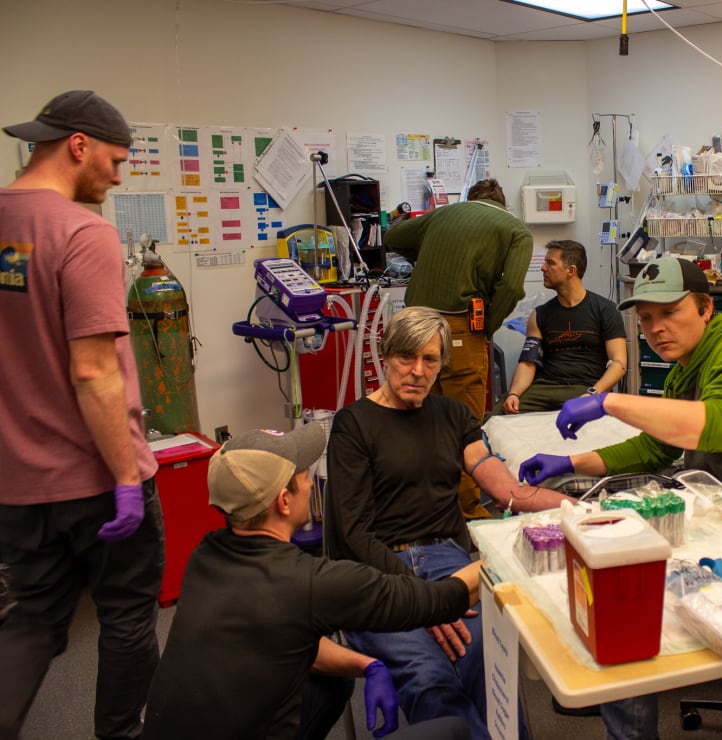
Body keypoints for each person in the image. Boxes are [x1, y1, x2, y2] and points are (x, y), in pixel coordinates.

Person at [518, 255, 722, 740]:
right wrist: (569, 463)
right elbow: (658, 447)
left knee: (633, 590)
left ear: (706, 308)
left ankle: (626, 701)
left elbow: (720, 428)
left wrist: (609, 401)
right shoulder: (688, 365)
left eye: (669, 312)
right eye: (645, 320)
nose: (656, 329)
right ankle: (617, 691)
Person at [325, 306, 574, 740]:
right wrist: (424, 601)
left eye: (430, 360)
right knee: (429, 678)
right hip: (377, 573)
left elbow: (505, 490)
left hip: (447, 562)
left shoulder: (453, 417)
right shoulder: (354, 425)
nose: (418, 371)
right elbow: (353, 533)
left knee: (487, 658)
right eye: (406, 358)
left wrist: (577, 508)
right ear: (385, 356)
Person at [0, 90, 166, 740]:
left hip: (16, 483)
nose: (118, 177)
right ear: (78, 146)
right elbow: (93, 370)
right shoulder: (80, 231)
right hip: (96, 479)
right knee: (127, 614)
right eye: (116, 161)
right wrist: (126, 476)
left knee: (34, 617)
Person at [142, 423, 475, 740]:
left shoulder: (205, 555)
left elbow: (287, 640)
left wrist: (369, 664)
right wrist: (508, 548)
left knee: (332, 684)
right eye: (303, 474)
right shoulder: (309, 583)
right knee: (452, 731)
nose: (308, 481)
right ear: (283, 502)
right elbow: (442, 600)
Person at [384, 178, 533, 519]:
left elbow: (392, 236)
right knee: (460, 426)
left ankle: (420, 506)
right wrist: (487, 326)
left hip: (412, 327)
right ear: (502, 203)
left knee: (414, 420)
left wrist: (422, 257)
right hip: (459, 330)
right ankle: (465, 513)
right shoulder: (515, 230)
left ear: (470, 200)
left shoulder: (444, 214)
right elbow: (511, 285)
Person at [493, 240, 627, 415]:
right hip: (545, 388)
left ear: (571, 271)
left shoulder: (606, 310)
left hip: (586, 387)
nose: (543, 268)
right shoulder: (539, 314)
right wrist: (514, 394)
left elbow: (619, 363)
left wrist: (592, 393)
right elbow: (528, 363)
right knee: (495, 418)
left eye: (550, 263)